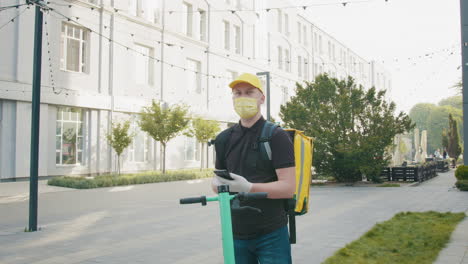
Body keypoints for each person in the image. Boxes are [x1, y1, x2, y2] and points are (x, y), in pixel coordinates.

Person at [211, 73, 296, 264]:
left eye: (249, 92)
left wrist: (248, 188)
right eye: (237, 93)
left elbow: (289, 187)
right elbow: (217, 181)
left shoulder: (276, 136)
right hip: (235, 232)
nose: (243, 98)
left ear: (262, 98)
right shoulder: (223, 139)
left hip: (271, 232)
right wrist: (217, 185)